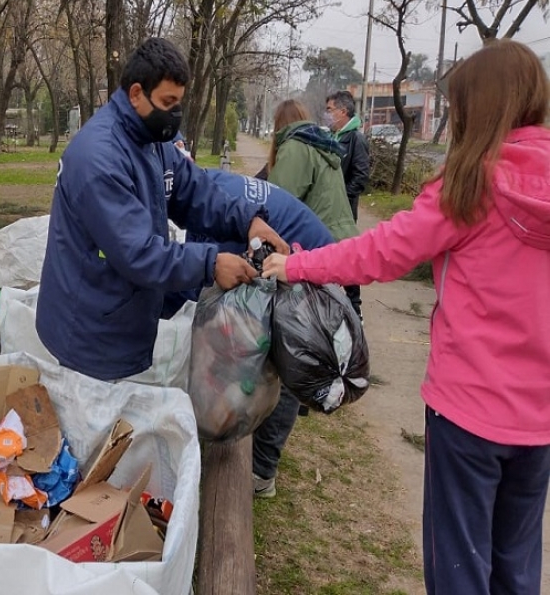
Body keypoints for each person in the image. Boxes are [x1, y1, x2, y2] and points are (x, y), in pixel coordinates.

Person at [263, 39, 550, 595]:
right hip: (539, 417)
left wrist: (297, 265)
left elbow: (380, 252)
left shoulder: (470, 185)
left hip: (468, 412)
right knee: (517, 566)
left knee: (459, 566)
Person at [36, 37, 287, 381]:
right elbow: (137, 252)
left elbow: (194, 190)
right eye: (168, 102)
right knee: (95, 412)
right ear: (136, 94)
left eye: (179, 103)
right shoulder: (99, 158)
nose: (174, 114)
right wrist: (211, 263)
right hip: (89, 329)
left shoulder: (152, 140)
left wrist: (248, 220)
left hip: (121, 314)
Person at [164, 170, 335, 498]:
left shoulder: (210, 217)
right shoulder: (205, 190)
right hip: (302, 257)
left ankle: (261, 471)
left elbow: (195, 294)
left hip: (314, 268)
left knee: (278, 361)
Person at [266, 99, 362, 318]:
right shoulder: (322, 144)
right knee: (335, 317)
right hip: (341, 239)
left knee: (310, 322)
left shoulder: (295, 147)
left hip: (316, 245)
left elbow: (277, 201)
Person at [324, 90, 371, 221]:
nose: (326, 115)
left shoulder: (356, 139)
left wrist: (341, 197)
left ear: (343, 112)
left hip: (342, 211)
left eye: (329, 110)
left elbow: (360, 177)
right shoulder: (330, 137)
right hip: (325, 208)